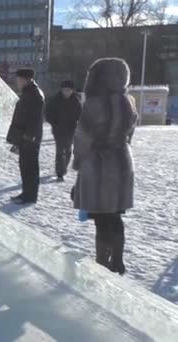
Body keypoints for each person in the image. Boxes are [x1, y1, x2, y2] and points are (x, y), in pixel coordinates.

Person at [72, 58, 137, 276]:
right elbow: (130, 134)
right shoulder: (129, 102)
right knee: (115, 214)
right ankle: (118, 261)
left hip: (99, 164)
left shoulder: (94, 104)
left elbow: (82, 138)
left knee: (101, 216)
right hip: (122, 162)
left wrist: (78, 161)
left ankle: (102, 261)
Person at [6, 68, 45, 205]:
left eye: (18, 79)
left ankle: (30, 196)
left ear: (25, 79)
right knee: (25, 167)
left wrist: (29, 137)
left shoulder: (34, 95)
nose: (17, 82)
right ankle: (26, 193)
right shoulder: (29, 92)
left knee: (30, 168)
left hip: (29, 138)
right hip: (24, 137)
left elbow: (34, 119)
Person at [46, 80, 82, 182]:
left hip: (71, 129)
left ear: (72, 90)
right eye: (65, 90)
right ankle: (60, 173)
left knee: (68, 150)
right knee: (60, 151)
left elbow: (80, 114)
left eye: (69, 90)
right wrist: (54, 123)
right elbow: (48, 114)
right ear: (61, 90)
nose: (67, 92)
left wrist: (79, 123)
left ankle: (64, 167)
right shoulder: (55, 100)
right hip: (58, 130)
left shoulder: (76, 101)